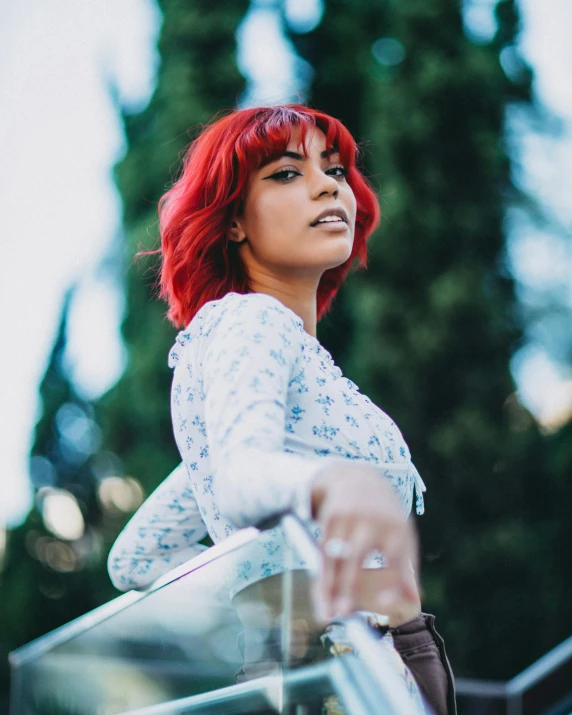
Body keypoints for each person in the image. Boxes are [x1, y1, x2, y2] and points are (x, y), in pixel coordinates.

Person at [107, 104, 456, 714]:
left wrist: (269, 592)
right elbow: (243, 480)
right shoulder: (253, 319)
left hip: (332, 676)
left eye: (336, 170)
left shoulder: (272, 357)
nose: (328, 184)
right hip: (333, 680)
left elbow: (138, 558)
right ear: (234, 221)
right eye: (287, 173)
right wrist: (333, 489)